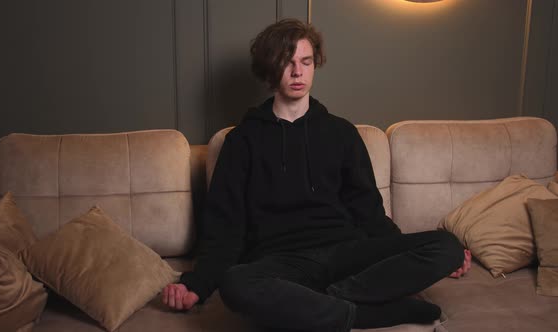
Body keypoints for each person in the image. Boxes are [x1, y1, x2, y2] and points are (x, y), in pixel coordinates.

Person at [162, 18, 471, 331]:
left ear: (314, 65)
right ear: (270, 69)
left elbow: (370, 214)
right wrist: (197, 285)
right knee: (236, 283)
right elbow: (224, 229)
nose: (298, 72)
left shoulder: (341, 133)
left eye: (306, 62)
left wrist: (412, 255)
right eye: (287, 62)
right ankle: (366, 313)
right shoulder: (242, 141)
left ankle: (327, 301)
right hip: (283, 262)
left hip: (347, 253)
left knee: (447, 246)